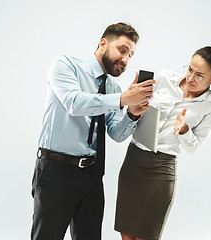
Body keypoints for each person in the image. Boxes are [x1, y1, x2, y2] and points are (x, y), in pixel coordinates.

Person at [31, 22, 156, 240]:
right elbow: (74, 103)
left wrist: (132, 113)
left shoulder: (113, 88)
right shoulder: (66, 64)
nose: (125, 60)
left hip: (92, 175)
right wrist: (123, 99)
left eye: (131, 55)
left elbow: (117, 134)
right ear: (103, 44)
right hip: (56, 171)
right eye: (122, 50)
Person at [114, 46, 211, 240]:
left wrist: (183, 130)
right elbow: (136, 110)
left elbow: (193, 147)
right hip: (134, 160)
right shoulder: (165, 78)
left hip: (162, 169)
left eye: (199, 75)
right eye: (190, 69)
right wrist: (134, 106)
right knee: (126, 234)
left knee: (146, 235)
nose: (190, 78)